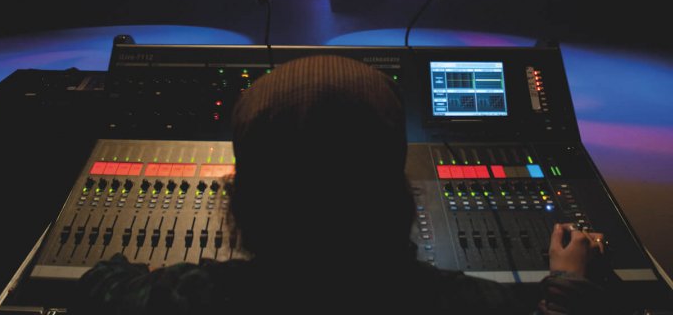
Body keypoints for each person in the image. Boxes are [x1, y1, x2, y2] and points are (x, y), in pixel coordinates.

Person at [71, 54, 610, 315]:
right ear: (394, 192)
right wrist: (567, 284)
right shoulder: (457, 302)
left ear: (246, 203)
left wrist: (154, 270)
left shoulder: (198, 297)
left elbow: (97, 290)